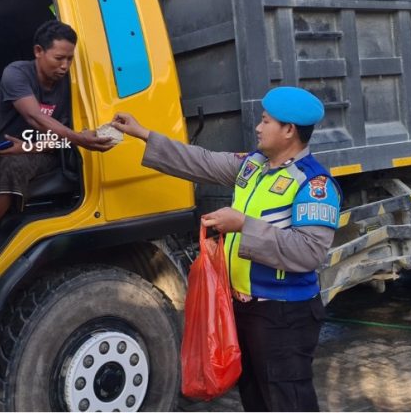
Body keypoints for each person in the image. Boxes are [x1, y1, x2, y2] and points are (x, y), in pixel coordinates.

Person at [112, 86, 340, 412]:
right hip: (246, 310)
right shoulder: (254, 166)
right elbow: (202, 161)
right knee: (255, 398)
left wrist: (244, 225)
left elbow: (308, 252)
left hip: (284, 316)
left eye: (265, 121)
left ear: (289, 130)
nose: (258, 128)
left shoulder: (314, 185)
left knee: (287, 400)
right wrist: (143, 134)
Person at [0, 20, 115, 234]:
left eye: (70, 59)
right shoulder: (16, 73)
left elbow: (60, 139)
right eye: (59, 58)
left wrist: (27, 148)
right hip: (2, 148)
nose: (65, 66)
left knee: (12, 167)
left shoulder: (71, 85)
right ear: (38, 51)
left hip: (45, 151)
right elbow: (34, 117)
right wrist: (79, 138)